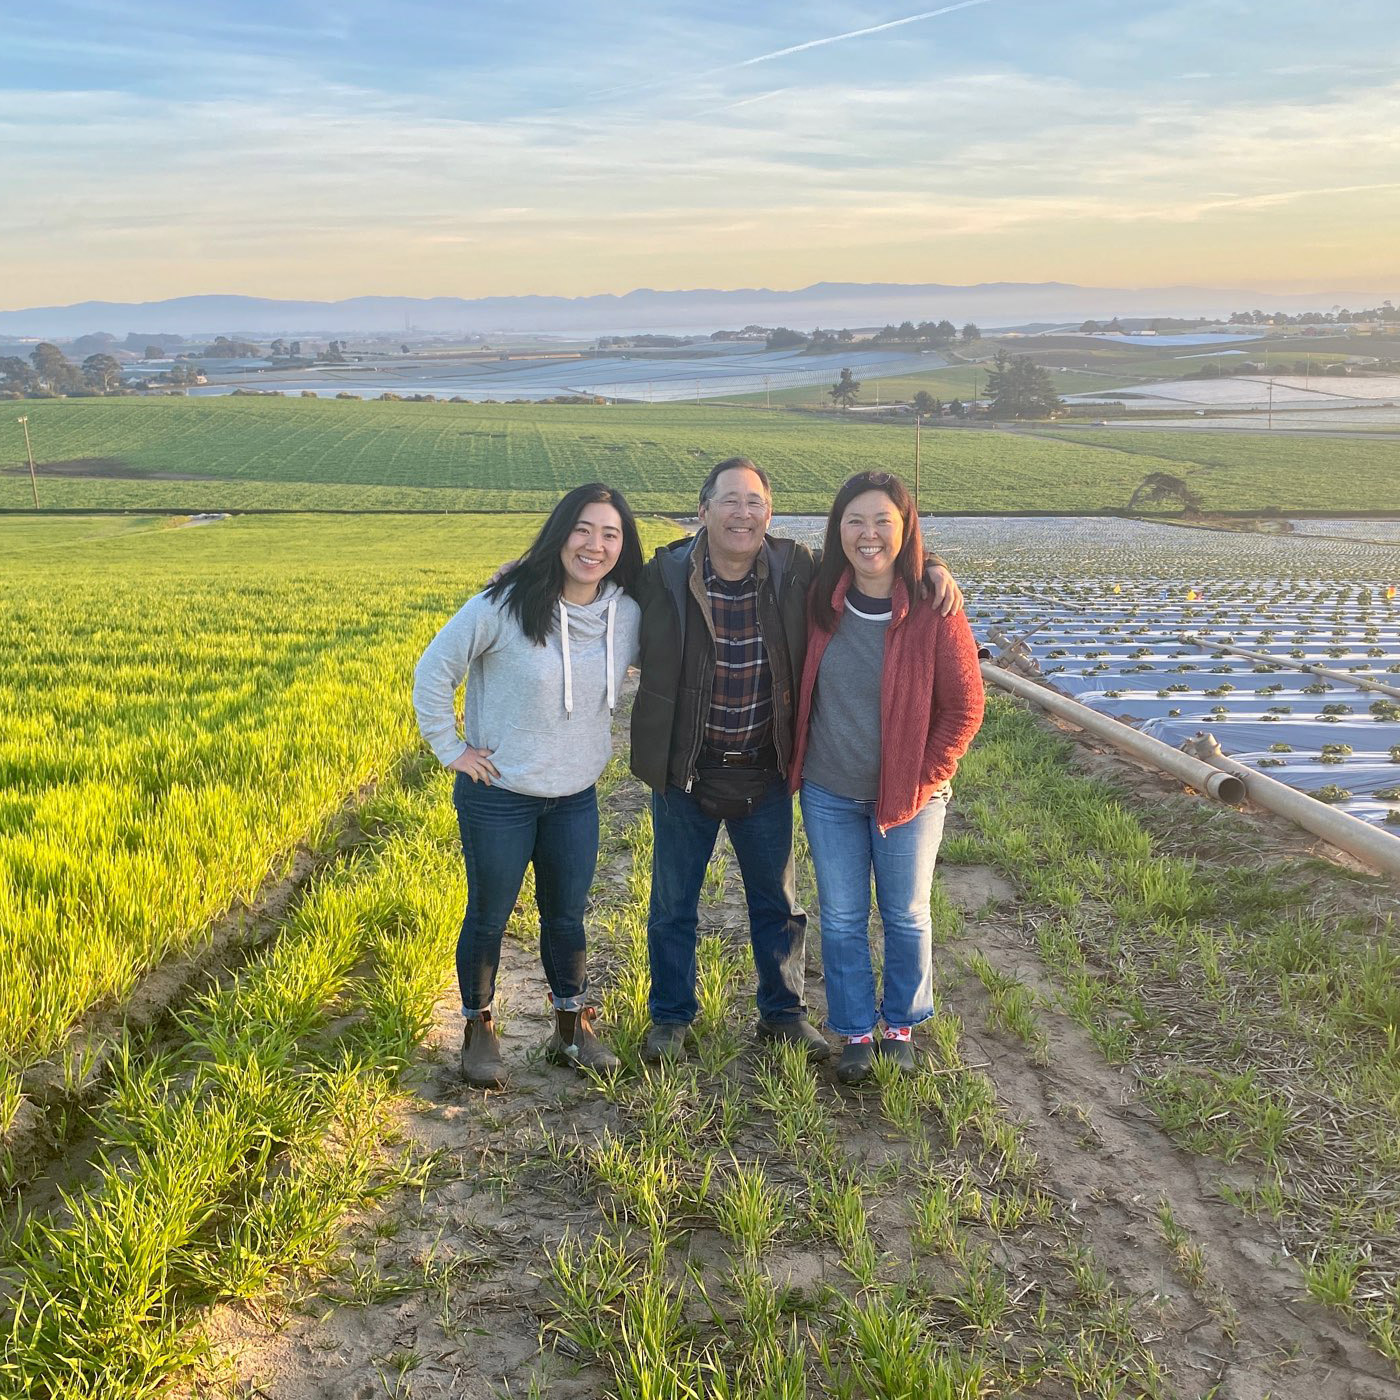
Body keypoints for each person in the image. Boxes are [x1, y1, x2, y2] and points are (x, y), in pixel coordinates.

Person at [629, 458, 963, 1064]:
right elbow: (594, 576)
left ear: (770, 515)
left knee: (777, 906)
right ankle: (671, 1017)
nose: (743, 513)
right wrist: (532, 569)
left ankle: (782, 1013)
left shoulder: (795, 571)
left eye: (755, 502)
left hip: (765, 768)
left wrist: (933, 567)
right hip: (686, 770)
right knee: (673, 903)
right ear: (702, 510)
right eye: (729, 501)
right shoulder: (665, 572)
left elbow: (878, 554)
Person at [413, 484, 643, 1088]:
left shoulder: (628, 611)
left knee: (566, 917)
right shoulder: (506, 602)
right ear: (561, 531)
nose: (595, 545)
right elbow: (434, 669)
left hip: (575, 796)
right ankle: (479, 1028)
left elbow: (693, 568)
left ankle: (571, 1026)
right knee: (489, 916)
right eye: (583, 529)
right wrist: (452, 749)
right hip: (500, 798)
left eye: (610, 533)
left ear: (624, 545)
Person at [788, 471, 984, 1084]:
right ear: (837, 529)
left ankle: (899, 1024)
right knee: (842, 916)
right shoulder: (818, 596)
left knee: (905, 913)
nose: (868, 535)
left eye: (883, 522)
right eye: (855, 521)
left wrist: (928, 777)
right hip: (828, 789)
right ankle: (853, 1031)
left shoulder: (933, 607)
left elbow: (965, 706)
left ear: (905, 531)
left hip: (913, 795)